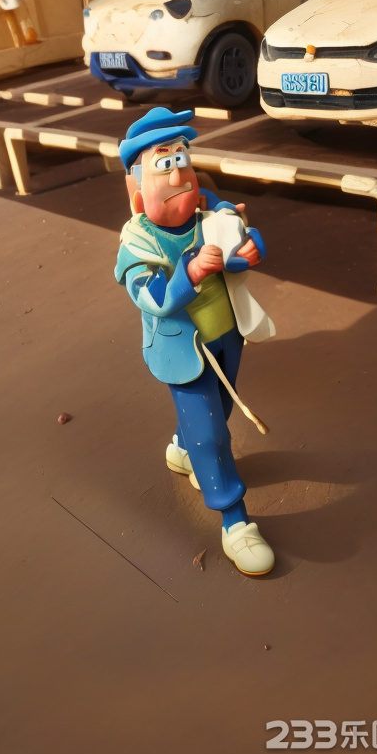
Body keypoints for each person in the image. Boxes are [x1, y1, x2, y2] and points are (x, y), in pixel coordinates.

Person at [115, 107, 276, 575]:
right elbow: (151, 297)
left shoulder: (211, 216)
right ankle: (234, 520)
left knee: (220, 409)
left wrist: (251, 246)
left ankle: (182, 451)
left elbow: (238, 253)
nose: (177, 174)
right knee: (213, 433)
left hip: (227, 336)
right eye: (163, 163)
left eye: (182, 159)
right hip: (183, 351)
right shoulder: (136, 243)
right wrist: (189, 272)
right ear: (137, 187)